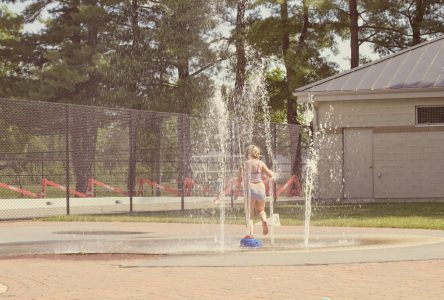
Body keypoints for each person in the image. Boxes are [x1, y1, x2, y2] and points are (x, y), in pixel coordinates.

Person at [239, 144, 275, 236]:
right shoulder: (260, 163)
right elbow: (270, 175)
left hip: (250, 189)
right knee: (260, 210)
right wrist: (273, 173)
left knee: (249, 215)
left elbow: (239, 178)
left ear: (248, 153)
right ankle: (264, 220)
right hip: (260, 188)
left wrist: (237, 185)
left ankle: (250, 235)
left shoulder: (245, 164)